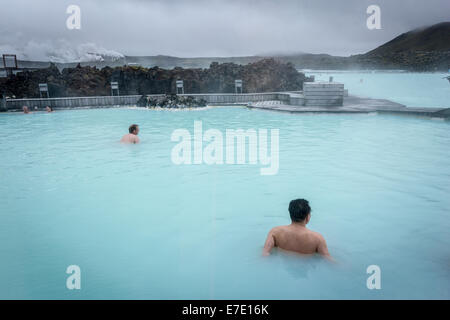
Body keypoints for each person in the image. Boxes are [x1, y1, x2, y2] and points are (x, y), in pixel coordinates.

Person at [262, 199, 332, 260]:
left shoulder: (275, 232)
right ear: (308, 217)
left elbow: (265, 253)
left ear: (290, 214)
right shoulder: (317, 239)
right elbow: (327, 259)